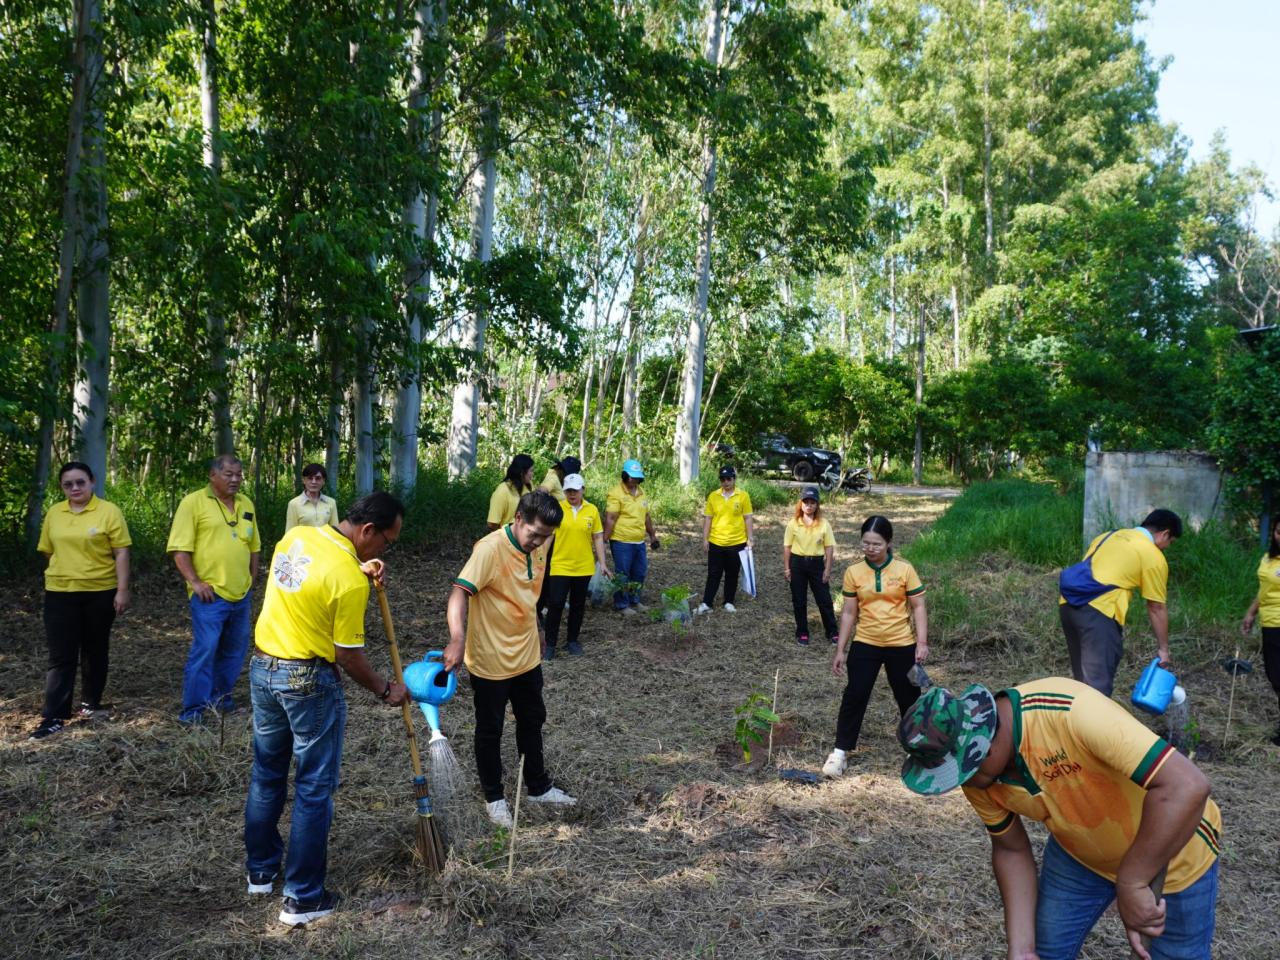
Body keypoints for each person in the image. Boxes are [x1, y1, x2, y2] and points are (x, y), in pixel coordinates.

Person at [898, 678, 1222, 960]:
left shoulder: (1071, 713)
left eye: (960, 772)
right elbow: (1011, 849)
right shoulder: (979, 774)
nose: (960, 783)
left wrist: (1133, 881)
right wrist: (1022, 948)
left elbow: (1187, 787)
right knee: (1046, 949)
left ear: (984, 743)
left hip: (1175, 851)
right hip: (1079, 856)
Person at [244, 492, 408, 926]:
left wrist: (359, 565)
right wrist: (383, 689)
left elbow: (320, 573)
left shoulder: (296, 537)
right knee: (314, 788)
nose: (385, 551)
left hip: (263, 668)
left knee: (267, 772)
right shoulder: (350, 582)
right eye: (387, 542)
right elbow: (348, 656)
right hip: (307, 682)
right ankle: (302, 897)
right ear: (368, 531)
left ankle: (260, 871)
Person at [445, 490, 578, 827]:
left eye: (546, 536)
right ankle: (494, 798)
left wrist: (536, 625)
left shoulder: (542, 542)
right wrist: (457, 639)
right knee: (490, 730)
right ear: (518, 518)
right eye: (534, 534)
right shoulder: (489, 550)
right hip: (491, 660)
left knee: (532, 719)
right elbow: (459, 592)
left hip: (527, 654)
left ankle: (537, 786)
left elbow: (529, 590)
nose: (539, 542)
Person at [28, 462, 132, 741]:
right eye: (68, 484)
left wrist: (122, 590)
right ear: (62, 487)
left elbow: (121, 552)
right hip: (60, 593)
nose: (74, 488)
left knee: (95, 649)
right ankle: (54, 716)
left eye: (80, 482)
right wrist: (69, 571)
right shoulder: (55, 513)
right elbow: (49, 552)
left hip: (101, 592)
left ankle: (90, 704)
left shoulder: (109, 511)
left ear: (92, 482)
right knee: (61, 655)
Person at [822, 515, 927, 777]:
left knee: (909, 698)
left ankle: (919, 749)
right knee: (855, 694)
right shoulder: (854, 572)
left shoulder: (904, 570)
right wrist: (840, 649)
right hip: (865, 643)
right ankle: (840, 752)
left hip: (901, 643)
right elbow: (848, 612)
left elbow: (918, 606)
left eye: (876, 544)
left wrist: (921, 643)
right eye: (866, 543)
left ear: (888, 543)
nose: (870, 549)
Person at [167, 454, 261, 723]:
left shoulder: (245, 503)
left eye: (239, 475)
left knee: (234, 649)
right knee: (205, 649)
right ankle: (194, 711)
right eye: (228, 474)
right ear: (212, 476)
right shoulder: (193, 503)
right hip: (210, 595)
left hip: (241, 593)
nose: (235, 480)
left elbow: (254, 546)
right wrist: (195, 582)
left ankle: (221, 699)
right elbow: (179, 549)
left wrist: (252, 580)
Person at [1059, 509, 1182, 697]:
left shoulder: (1108, 535)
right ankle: (1094, 724)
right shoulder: (1152, 554)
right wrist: (1163, 650)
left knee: (1082, 681)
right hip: (1099, 612)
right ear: (1165, 534)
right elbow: (1156, 607)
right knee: (1097, 687)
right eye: (1170, 542)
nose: (1167, 547)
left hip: (1067, 606)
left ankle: (1076, 722)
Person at [542, 474, 610, 659]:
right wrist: (540, 559)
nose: (572, 494)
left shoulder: (592, 510)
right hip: (560, 566)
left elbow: (597, 537)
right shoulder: (557, 508)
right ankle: (549, 644)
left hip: (583, 566)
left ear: (583, 490)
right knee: (555, 604)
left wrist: (602, 563)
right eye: (568, 490)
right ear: (564, 491)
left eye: (575, 490)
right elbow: (549, 536)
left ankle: (572, 640)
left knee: (578, 606)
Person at [782, 485, 837, 646]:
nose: (809, 505)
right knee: (799, 600)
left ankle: (832, 631)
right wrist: (787, 568)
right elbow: (787, 547)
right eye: (806, 502)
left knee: (824, 599)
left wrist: (827, 569)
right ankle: (802, 632)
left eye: (812, 502)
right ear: (801, 503)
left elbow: (829, 548)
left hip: (817, 564)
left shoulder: (824, 524)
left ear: (817, 504)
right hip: (797, 563)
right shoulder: (793, 523)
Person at [603, 459, 660, 614]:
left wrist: (652, 536)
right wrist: (605, 538)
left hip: (639, 541)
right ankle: (621, 604)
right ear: (625, 475)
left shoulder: (642, 493)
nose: (633, 480)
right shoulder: (616, 493)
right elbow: (610, 518)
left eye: (636, 477)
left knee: (639, 572)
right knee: (623, 573)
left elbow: (646, 516)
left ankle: (635, 600)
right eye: (630, 476)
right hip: (621, 541)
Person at [1241, 521, 1280, 745]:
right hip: (1270, 624)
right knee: (1274, 676)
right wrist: (1251, 613)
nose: (1279, 537)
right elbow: (1263, 589)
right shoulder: (1267, 558)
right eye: (1278, 532)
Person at [695, 465, 753, 615]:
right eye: (722, 479)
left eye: (729, 479)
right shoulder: (713, 496)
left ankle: (729, 601)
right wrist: (705, 539)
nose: (725, 482)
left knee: (732, 574)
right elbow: (708, 519)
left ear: (734, 479)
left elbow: (747, 518)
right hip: (716, 542)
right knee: (714, 573)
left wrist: (750, 538)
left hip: (737, 542)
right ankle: (707, 602)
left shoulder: (743, 496)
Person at [284, 463, 340, 531]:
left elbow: (335, 531)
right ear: (304, 481)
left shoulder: (331, 502)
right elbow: (290, 533)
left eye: (318, 478)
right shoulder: (294, 504)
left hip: (324, 541)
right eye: (310, 478)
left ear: (323, 481)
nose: (314, 482)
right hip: (303, 541)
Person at [487, 453, 535, 531]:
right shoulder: (503, 490)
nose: (533, 474)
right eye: (531, 471)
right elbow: (492, 524)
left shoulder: (529, 486)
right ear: (522, 472)